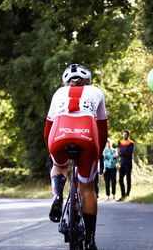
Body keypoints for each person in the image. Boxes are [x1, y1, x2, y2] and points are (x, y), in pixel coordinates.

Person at [44, 64, 108, 250]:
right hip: (87, 134)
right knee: (87, 188)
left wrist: (53, 152)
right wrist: (98, 152)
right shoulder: (96, 91)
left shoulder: (58, 93)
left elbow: (47, 129)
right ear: (88, 80)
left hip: (60, 133)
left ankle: (57, 196)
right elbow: (102, 130)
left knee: (59, 166)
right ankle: (89, 239)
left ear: (66, 82)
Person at [117, 130, 134, 201]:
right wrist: (121, 153)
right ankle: (123, 195)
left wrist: (121, 153)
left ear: (128, 135)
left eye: (126, 134)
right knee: (120, 179)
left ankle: (128, 193)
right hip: (122, 163)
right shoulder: (121, 143)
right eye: (123, 134)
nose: (124, 136)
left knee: (128, 179)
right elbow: (119, 152)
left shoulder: (131, 143)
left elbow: (129, 154)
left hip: (128, 163)